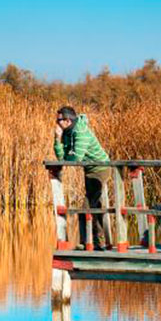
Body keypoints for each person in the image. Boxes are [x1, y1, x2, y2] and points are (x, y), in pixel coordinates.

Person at [54, 106, 112, 247]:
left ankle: (90, 243)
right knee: (93, 206)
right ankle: (95, 243)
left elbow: (75, 159)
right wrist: (57, 139)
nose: (57, 122)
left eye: (59, 120)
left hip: (101, 168)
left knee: (87, 207)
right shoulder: (67, 133)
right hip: (89, 170)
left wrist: (68, 156)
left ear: (68, 120)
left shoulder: (81, 132)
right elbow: (62, 157)